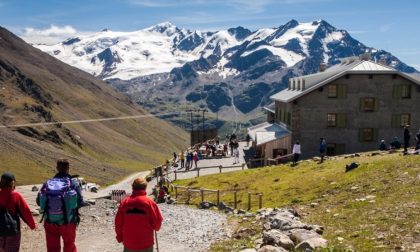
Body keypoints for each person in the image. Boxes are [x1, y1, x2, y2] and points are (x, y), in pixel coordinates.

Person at [37, 159, 84, 252]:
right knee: (69, 247)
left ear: (57, 168)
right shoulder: (73, 183)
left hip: (50, 221)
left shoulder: (47, 183)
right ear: (68, 168)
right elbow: (80, 202)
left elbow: (39, 201)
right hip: (68, 222)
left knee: (52, 248)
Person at [115, 177, 163, 252]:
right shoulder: (150, 203)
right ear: (145, 187)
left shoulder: (124, 203)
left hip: (129, 243)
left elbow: (118, 223)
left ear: (133, 187)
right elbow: (157, 224)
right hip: (146, 243)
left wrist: (119, 237)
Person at [0, 172, 36, 252]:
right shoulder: (16, 196)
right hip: (12, 229)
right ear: (12, 182)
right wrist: (32, 225)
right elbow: (25, 211)